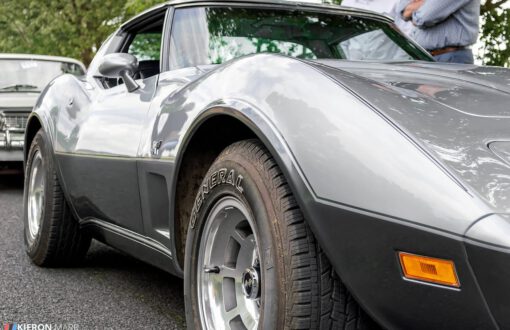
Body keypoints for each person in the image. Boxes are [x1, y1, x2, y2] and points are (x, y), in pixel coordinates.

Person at [396, 0, 480, 64]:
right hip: (425, 58)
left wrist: (416, 6)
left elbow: (423, 17)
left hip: (450, 59)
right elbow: (402, 11)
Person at [342, 0, 414, 35]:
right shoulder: (347, 2)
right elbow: (342, 32)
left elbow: (406, 35)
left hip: (386, 60)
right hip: (351, 59)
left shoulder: (396, 2)